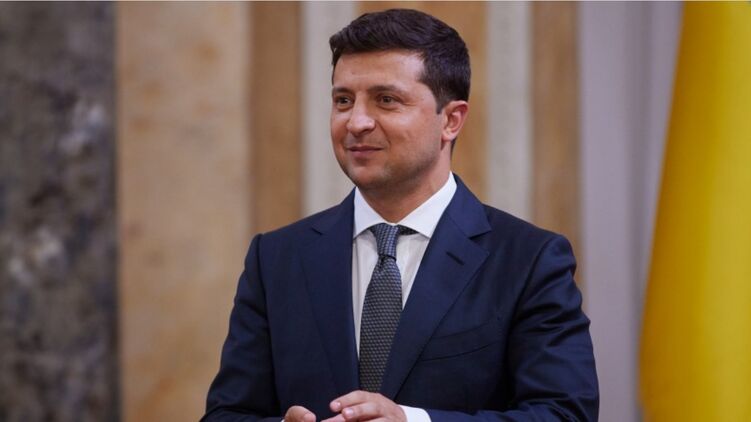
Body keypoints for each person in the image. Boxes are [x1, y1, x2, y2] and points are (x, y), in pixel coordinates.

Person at [202, 8, 598, 422]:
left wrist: (412, 421)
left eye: (386, 100)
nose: (356, 122)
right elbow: (228, 414)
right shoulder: (276, 258)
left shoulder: (529, 260)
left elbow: (564, 414)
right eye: (343, 100)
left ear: (451, 120)